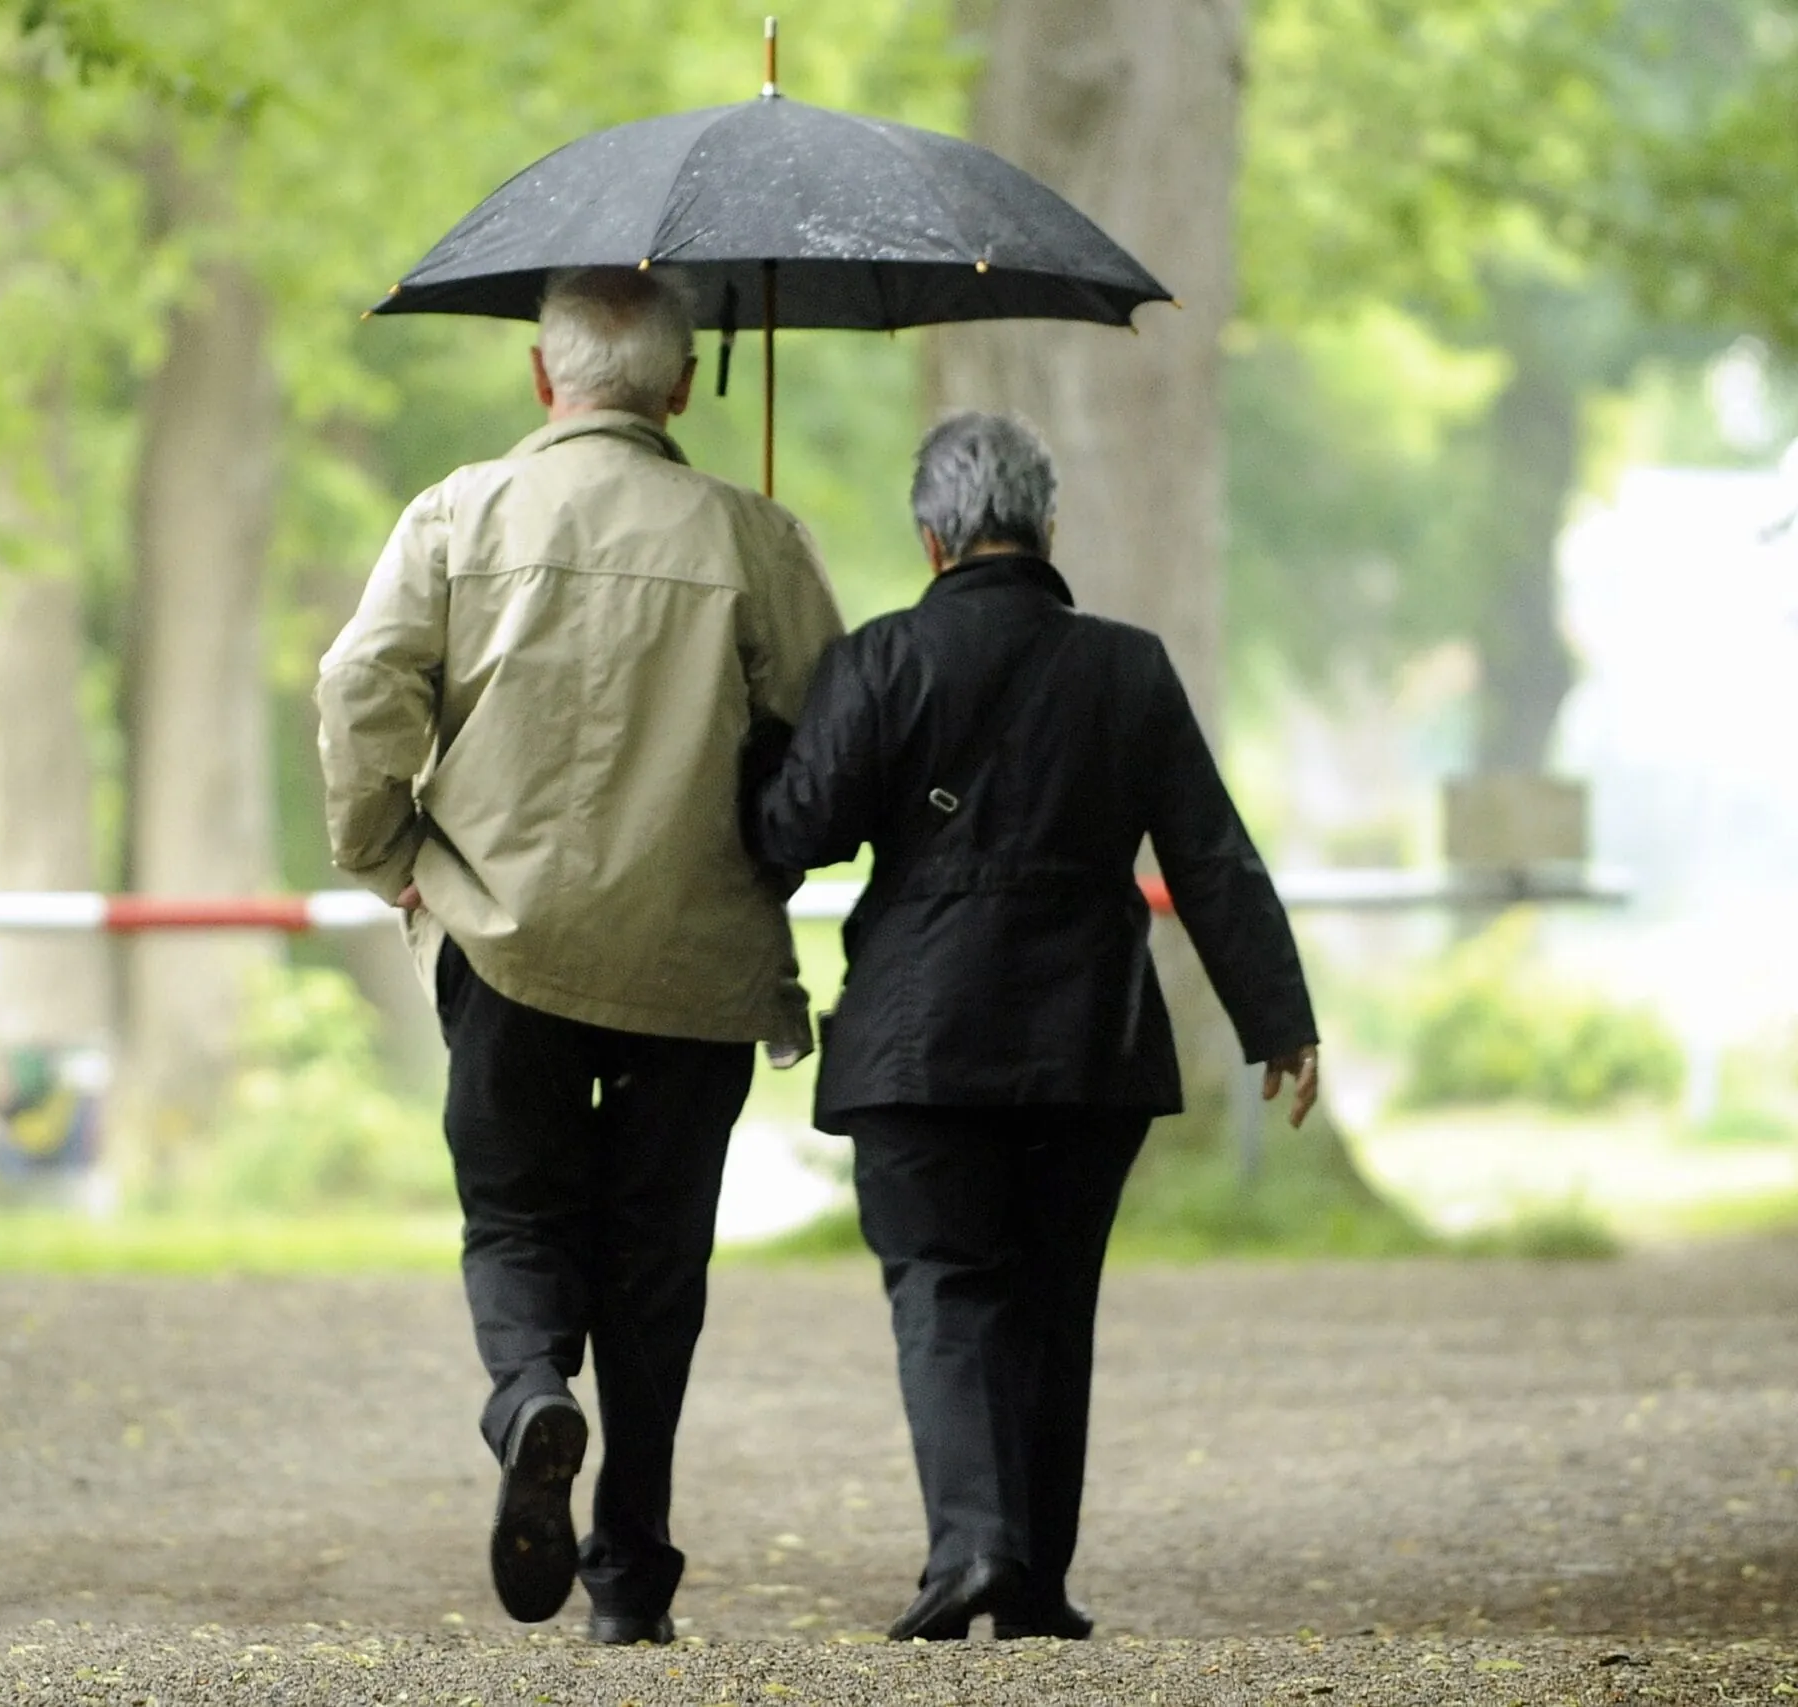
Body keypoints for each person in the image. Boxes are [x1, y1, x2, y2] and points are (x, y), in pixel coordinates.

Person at [316, 266, 845, 1645]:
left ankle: (533, 1394)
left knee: (516, 1219)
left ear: (545, 381)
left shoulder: (456, 514)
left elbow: (360, 682)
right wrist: (780, 837)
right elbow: (833, 743)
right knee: (659, 1258)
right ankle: (631, 1573)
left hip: (506, 942)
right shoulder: (752, 534)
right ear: (679, 387)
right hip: (696, 955)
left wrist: (386, 850)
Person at [744, 410, 1321, 1643]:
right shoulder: (1127, 666)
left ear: (930, 534)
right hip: (1084, 1038)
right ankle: (1036, 1579)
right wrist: (1277, 1018)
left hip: (917, 1040)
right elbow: (1210, 857)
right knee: (1056, 1300)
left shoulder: (882, 657)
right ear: (1047, 527)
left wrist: (775, 736)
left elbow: (795, 836)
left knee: (945, 1288)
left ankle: (970, 1553)